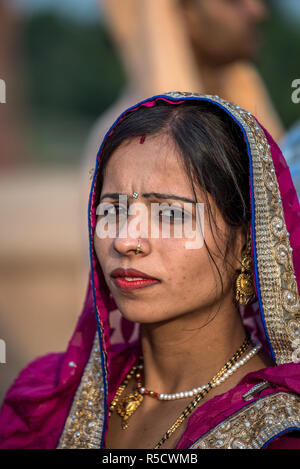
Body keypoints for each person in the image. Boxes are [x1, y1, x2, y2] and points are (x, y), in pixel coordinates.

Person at [0, 91, 300, 449]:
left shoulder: (281, 433)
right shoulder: (48, 400)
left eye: (170, 215)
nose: (126, 241)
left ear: (245, 243)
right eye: (111, 210)